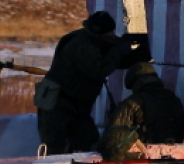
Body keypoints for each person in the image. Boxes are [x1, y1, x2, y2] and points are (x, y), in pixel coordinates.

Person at [35, 11, 136, 155]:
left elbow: (109, 59)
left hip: (75, 107)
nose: (112, 36)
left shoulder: (90, 40)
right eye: (109, 34)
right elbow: (99, 69)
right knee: (55, 152)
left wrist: (127, 49)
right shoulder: (81, 45)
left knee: (91, 147)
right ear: (99, 34)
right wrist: (119, 51)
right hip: (57, 106)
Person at [108, 62, 184, 144]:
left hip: (144, 154)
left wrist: (114, 117)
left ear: (135, 83)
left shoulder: (133, 102)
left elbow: (113, 139)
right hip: (175, 152)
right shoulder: (173, 99)